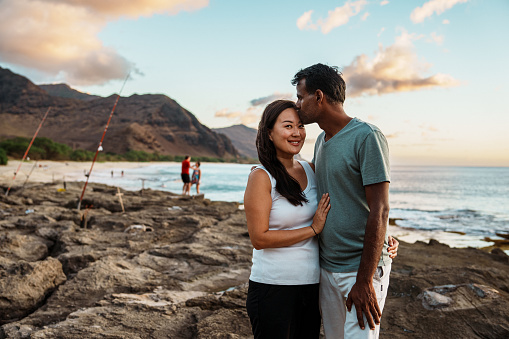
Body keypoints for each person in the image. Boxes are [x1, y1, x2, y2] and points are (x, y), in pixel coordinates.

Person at [292, 63, 392, 338]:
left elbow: (380, 209)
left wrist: (363, 281)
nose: (297, 104)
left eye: (301, 97)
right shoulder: (321, 141)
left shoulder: (367, 136)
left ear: (319, 97)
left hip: (361, 271)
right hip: (327, 267)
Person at [244, 100, 331, 338]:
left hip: (311, 286)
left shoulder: (311, 169)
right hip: (272, 288)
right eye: (288, 126)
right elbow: (259, 238)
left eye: (300, 126)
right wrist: (312, 229)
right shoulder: (261, 177)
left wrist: (383, 238)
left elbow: (346, 200)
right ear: (270, 133)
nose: (296, 133)